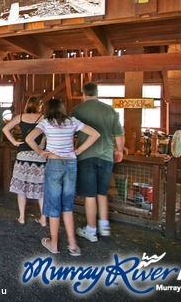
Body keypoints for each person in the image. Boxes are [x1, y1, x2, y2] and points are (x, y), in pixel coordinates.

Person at [26, 98, 99, 256]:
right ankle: (73, 245)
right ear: (62, 108)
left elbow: (28, 138)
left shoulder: (46, 123)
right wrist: (78, 151)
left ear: (47, 109)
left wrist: (40, 152)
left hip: (54, 164)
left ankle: (54, 244)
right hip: (71, 164)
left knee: (53, 205)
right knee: (67, 205)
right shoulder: (72, 121)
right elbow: (95, 134)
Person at [71, 82, 125, 242]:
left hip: (85, 156)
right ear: (97, 93)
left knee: (90, 195)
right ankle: (104, 227)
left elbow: (70, 132)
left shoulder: (77, 110)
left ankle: (91, 230)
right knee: (102, 193)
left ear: (83, 94)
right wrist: (119, 151)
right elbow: (120, 136)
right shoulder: (110, 111)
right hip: (106, 156)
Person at [2, 96, 47, 227]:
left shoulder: (20, 117)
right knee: (41, 189)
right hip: (39, 155)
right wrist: (42, 143)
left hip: (23, 156)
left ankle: (22, 217)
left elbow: (5, 129)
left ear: (28, 104)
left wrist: (15, 142)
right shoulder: (43, 118)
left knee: (21, 189)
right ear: (39, 106)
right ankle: (43, 219)